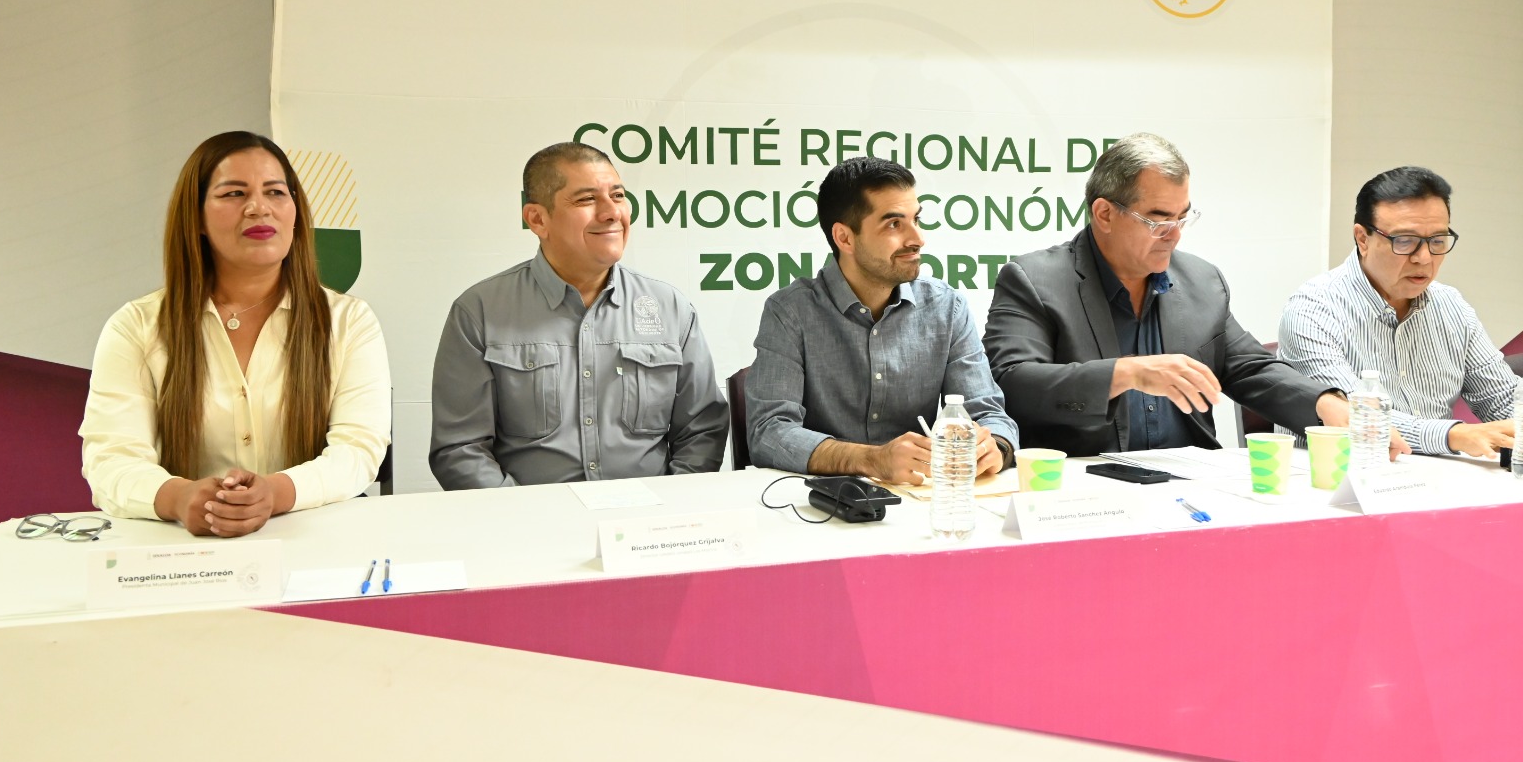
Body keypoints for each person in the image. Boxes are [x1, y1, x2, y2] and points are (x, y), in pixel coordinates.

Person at [983, 132, 1372, 458]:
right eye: (1157, 219)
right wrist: (1126, 373)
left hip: (1190, 483)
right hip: (1082, 486)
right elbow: (1012, 384)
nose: (1175, 235)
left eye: (1182, 217)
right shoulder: (1035, 280)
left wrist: (1324, 402)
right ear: (1104, 214)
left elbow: (1250, 369)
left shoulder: (1202, 280)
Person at [79, 132, 391, 536]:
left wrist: (275, 493)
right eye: (234, 194)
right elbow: (111, 460)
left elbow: (358, 451)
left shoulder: (349, 322)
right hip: (185, 547)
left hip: (314, 542)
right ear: (196, 218)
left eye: (275, 192)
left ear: (295, 211)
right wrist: (180, 498)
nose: (259, 208)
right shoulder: (137, 327)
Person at [430, 142, 727, 487]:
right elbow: (461, 449)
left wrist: (671, 505)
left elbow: (702, 431)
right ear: (538, 219)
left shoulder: (670, 307)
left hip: (652, 514)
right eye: (587, 199)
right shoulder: (480, 311)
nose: (612, 213)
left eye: (618, 196)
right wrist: (518, 511)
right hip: (530, 516)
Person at [1278, 166, 1523, 455]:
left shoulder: (1451, 307)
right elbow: (1355, 418)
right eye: (1405, 241)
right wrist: (1453, 435)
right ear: (1363, 238)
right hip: (1337, 481)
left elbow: (1502, 402)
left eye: (1437, 240)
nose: (1424, 258)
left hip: (1436, 479)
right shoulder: (1312, 311)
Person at [745, 157, 1017, 484]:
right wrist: (872, 460)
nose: (917, 238)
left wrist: (994, 447)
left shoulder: (947, 307)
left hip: (923, 497)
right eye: (894, 224)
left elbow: (989, 414)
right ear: (845, 238)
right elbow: (769, 432)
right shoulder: (790, 311)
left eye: (916, 219)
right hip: (823, 501)